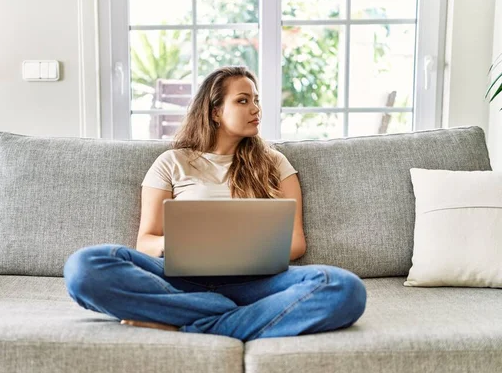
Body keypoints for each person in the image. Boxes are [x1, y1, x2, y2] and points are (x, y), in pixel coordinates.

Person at [63, 66, 367, 342]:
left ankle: (190, 324)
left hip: (257, 284)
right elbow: (146, 241)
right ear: (215, 112)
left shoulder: (276, 163)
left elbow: (296, 243)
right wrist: (184, 245)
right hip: (178, 281)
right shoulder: (171, 162)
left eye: (256, 100)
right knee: (84, 266)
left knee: (343, 287)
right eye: (243, 101)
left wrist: (240, 251)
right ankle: (225, 313)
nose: (256, 108)